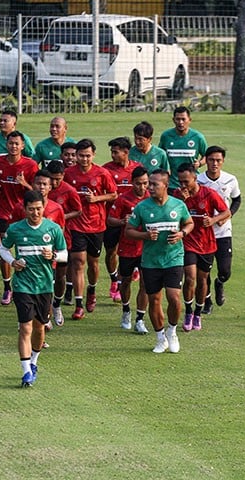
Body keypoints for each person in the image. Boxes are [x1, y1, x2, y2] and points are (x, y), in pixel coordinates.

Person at [0, 190, 68, 387]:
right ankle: (26, 370)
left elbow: (64, 254)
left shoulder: (53, 229)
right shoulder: (15, 229)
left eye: (38, 209)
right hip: (22, 286)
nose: (35, 213)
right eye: (31, 209)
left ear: (43, 208)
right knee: (25, 327)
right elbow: (2, 249)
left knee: (39, 328)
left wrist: (52, 256)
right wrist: (12, 262)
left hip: (44, 286)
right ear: (24, 209)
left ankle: (34, 361)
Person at [125, 170, 193, 354]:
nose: (149, 187)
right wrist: (145, 235)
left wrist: (182, 233)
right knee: (154, 300)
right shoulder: (142, 208)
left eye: (154, 184)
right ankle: (160, 336)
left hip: (174, 258)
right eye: (149, 184)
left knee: (174, 297)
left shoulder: (178, 205)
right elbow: (128, 230)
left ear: (165, 185)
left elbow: (189, 223)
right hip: (150, 261)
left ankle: (172, 331)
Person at [63, 139, 117, 319]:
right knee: (78, 262)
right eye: (81, 156)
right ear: (76, 155)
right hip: (76, 224)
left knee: (93, 263)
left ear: (93, 155)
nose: (84, 159)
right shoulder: (68, 173)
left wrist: (96, 199)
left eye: (87, 156)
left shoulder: (102, 173)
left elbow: (113, 194)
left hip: (96, 225)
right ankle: (79, 305)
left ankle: (91, 290)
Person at [175, 163, 230, 332]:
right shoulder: (178, 195)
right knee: (190, 277)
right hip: (187, 242)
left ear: (195, 178)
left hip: (207, 244)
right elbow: (171, 215)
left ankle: (198, 313)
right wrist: (181, 202)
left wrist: (213, 221)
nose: (183, 185)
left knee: (202, 280)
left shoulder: (209, 194)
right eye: (180, 182)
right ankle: (189, 312)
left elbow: (226, 212)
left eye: (186, 181)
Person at [0, 131, 39, 306]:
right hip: (4, 212)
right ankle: (7, 287)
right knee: (5, 249)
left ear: (22, 146)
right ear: (6, 144)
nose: (13, 146)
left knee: (26, 249)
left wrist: (24, 185)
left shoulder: (31, 165)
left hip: (23, 213)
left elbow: (36, 191)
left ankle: (27, 285)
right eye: (10, 143)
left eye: (16, 144)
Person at [197, 145, 241, 312]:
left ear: (223, 161)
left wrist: (228, 216)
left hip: (223, 232)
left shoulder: (230, 180)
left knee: (225, 270)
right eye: (211, 160)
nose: (215, 163)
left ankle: (220, 283)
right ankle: (206, 301)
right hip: (203, 234)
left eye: (218, 160)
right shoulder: (198, 181)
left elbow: (237, 200)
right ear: (205, 161)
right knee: (203, 272)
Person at [107, 166, 150, 334]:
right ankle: (126, 310)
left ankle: (140, 319)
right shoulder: (123, 199)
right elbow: (110, 220)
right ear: (132, 182)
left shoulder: (152, 199)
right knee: (125, 281)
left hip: (147, 248)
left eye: (145, 183)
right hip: (127, 248)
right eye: (139, 183)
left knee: (145, 284)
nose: (143, 187)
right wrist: (122, 221)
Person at [102, 136, 143, 302]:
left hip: (134, 222)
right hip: (112, 218)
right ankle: (114, 278)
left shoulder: (138, 169)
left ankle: (121, 279)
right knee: (111, 251)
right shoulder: (106, 170)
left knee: (131, 250)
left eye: (115, 152)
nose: (112, 155)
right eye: (112, 152)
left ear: (126, 152)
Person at [46, 160, 82, 321]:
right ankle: (45, 315)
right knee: (46, 277)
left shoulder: (69, 190)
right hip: (42, 243)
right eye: (51, 179)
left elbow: (78, 210)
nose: (54, 183)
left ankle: (57, 304)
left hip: (62, 240)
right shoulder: (41, 191)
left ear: (63, 176)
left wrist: (59, 217)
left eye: (58, 179)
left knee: (60, 276)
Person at [158, 106, 208, 192]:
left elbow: (207, 156)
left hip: (191, 184)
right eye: (178, 119)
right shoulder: (166, 136)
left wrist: (199, 163)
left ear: (189, 120)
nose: (180, 122)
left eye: (183, 119)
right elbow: (160, 155)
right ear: (173, 120)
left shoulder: (198, 137)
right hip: (171, 185)